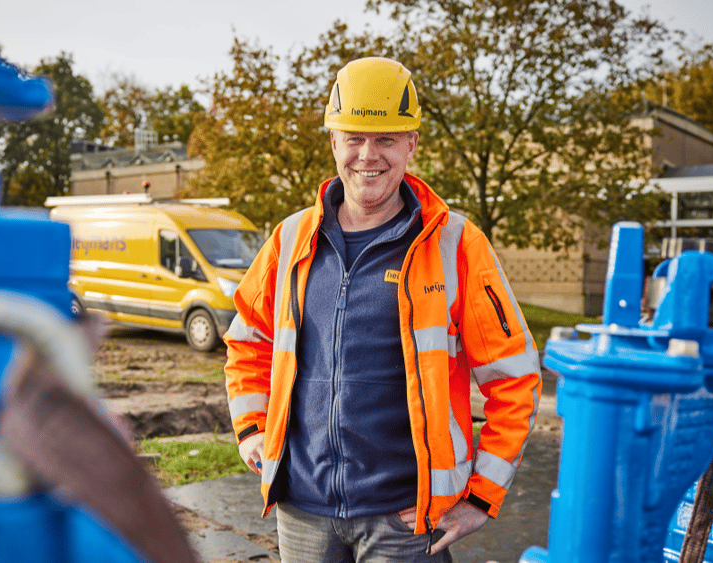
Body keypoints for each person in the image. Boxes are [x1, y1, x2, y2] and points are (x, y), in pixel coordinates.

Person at [224, 56, 542, 562]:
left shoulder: (456, 245)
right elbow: (249, 342)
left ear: (412, 144)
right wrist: (251, 429)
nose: (367, 155)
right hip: (302, 511)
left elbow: (515, 377)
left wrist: (482, 496)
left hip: (407, 519)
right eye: (353, 137)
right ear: (333, 142)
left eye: (386, 139)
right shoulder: (289, 240)